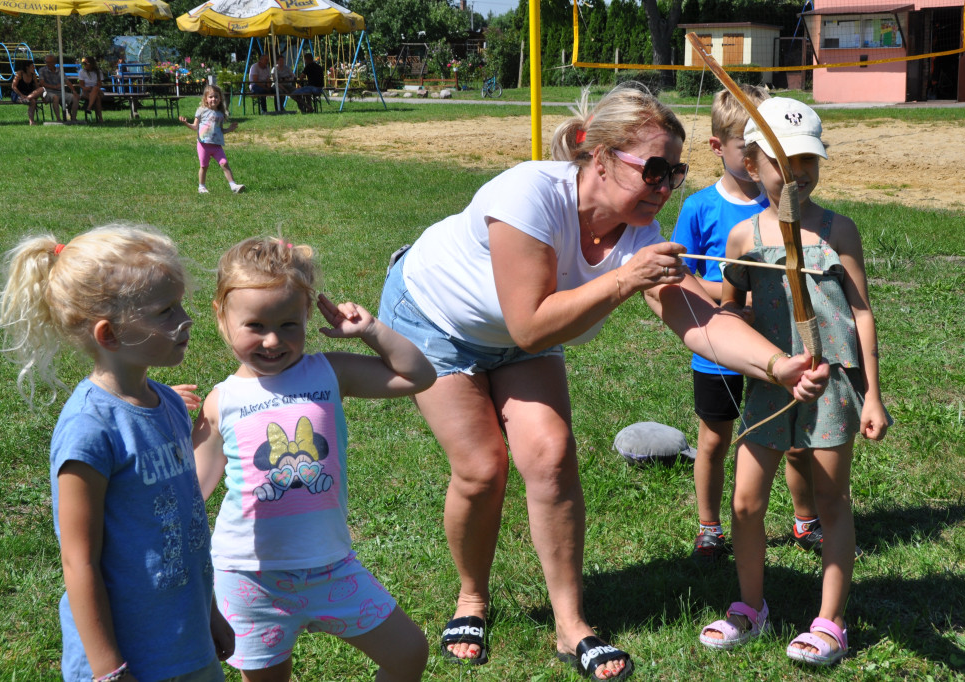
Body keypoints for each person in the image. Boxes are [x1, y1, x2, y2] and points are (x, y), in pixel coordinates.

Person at [377, 83, 830, 681]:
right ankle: (472, 600)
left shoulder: (638, 232)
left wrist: (778, 364)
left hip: (519, 332)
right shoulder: (529, 194)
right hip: (435, 320)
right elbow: (533, 324)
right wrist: (624, 281)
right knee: (483, 466)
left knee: (551, 453)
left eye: (676, 172)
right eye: (655, 170)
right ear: (599, 156)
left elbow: (698, 319)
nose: (666, 187)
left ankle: (571, 624)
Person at [698, 98, 890, 666]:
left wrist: (873, 392)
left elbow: (860, 312)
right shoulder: (742, 238)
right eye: (785, 162)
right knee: (746, 503)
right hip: (769, 387)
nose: (798, 173)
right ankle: (750, 607)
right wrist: (750, 335)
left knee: (832, 501)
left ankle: (831, 621)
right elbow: (729, 312)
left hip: (832, 387)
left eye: (809, 161)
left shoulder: (838, 230)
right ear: (753, 164)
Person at [192, 237, 435, 681]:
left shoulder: (328, 372)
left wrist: (371, 331)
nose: (272, 340)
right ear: (222, 319)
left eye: (289, 324)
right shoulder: (222, 400)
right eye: (255, 325)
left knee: (408, 653)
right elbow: (192, 490)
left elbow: (418, 375)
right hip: (249, 578)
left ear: (307, 314)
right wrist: (163, 424)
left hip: (330, 566)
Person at [0, 225, 234, 682]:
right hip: (129, 661)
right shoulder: (90, 429)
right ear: (109, 335)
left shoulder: (165, 402)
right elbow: (78, 560)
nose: (185, 319)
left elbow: (183, 526)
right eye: (166, 311)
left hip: (186, 644)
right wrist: (108, 667)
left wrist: (209, 613)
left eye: (180, 303)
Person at [673, 85, 834, 565]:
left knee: (795, 440)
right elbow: (683, 275)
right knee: (715, 437)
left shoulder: (789, 206)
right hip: (721, 348)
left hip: (783, 346)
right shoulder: (700, 207)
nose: (775, 167)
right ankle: (709, 527)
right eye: (748, 148)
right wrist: (726, 304)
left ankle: (805, 518)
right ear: (724, 149)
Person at [179, 84, 245, 195]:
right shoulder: (201, 111)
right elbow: (195, 127)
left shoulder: (220, 114)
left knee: (224, 163)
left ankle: (233, 186)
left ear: (220, 99)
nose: (213, 99)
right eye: (210, 97)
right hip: (203, 145)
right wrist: (186, 123)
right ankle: (202, 187)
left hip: (217, 146)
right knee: (204, 166)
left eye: (216, 96)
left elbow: (220, 130)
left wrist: (230, 129)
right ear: (205, 98)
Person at [39, 54, 81, 123]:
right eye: (46, 62)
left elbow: (67, 81)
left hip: (60, 92)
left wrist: (74, 91)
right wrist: (54, 87)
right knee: (55, 97)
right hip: (48, 92)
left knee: (75, 98)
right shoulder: (42, 70)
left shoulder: (60, 71)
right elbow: (42, 83)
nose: (48, 64)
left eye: (50, 62)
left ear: (54, 62)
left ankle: (73, 118)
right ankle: (58, 119)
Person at [10, 60, 45, 125]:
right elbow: (13, 86)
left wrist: (42, 97)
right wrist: (21, 95)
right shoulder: (19, 73)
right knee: (33, 101)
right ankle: (25, 99)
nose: (34, 68)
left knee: (41, 89)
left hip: (29, 94)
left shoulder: (33, 74)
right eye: (32, 66)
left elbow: (37, 87)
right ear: (27, 67)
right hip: (18, 94)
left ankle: (31, 121)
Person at [79, 56, 104, 123]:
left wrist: (93, 89)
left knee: (95, 88)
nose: (84, 65)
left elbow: (99, 84)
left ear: (91, 64)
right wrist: (86, 88)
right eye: (83, 64)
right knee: (97, 98)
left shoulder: (98, 72)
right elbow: (81, 85)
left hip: (96, 90)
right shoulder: (82, 72)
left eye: (86, 64)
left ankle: (89, 107)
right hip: (86, 91)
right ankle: (100, 118)